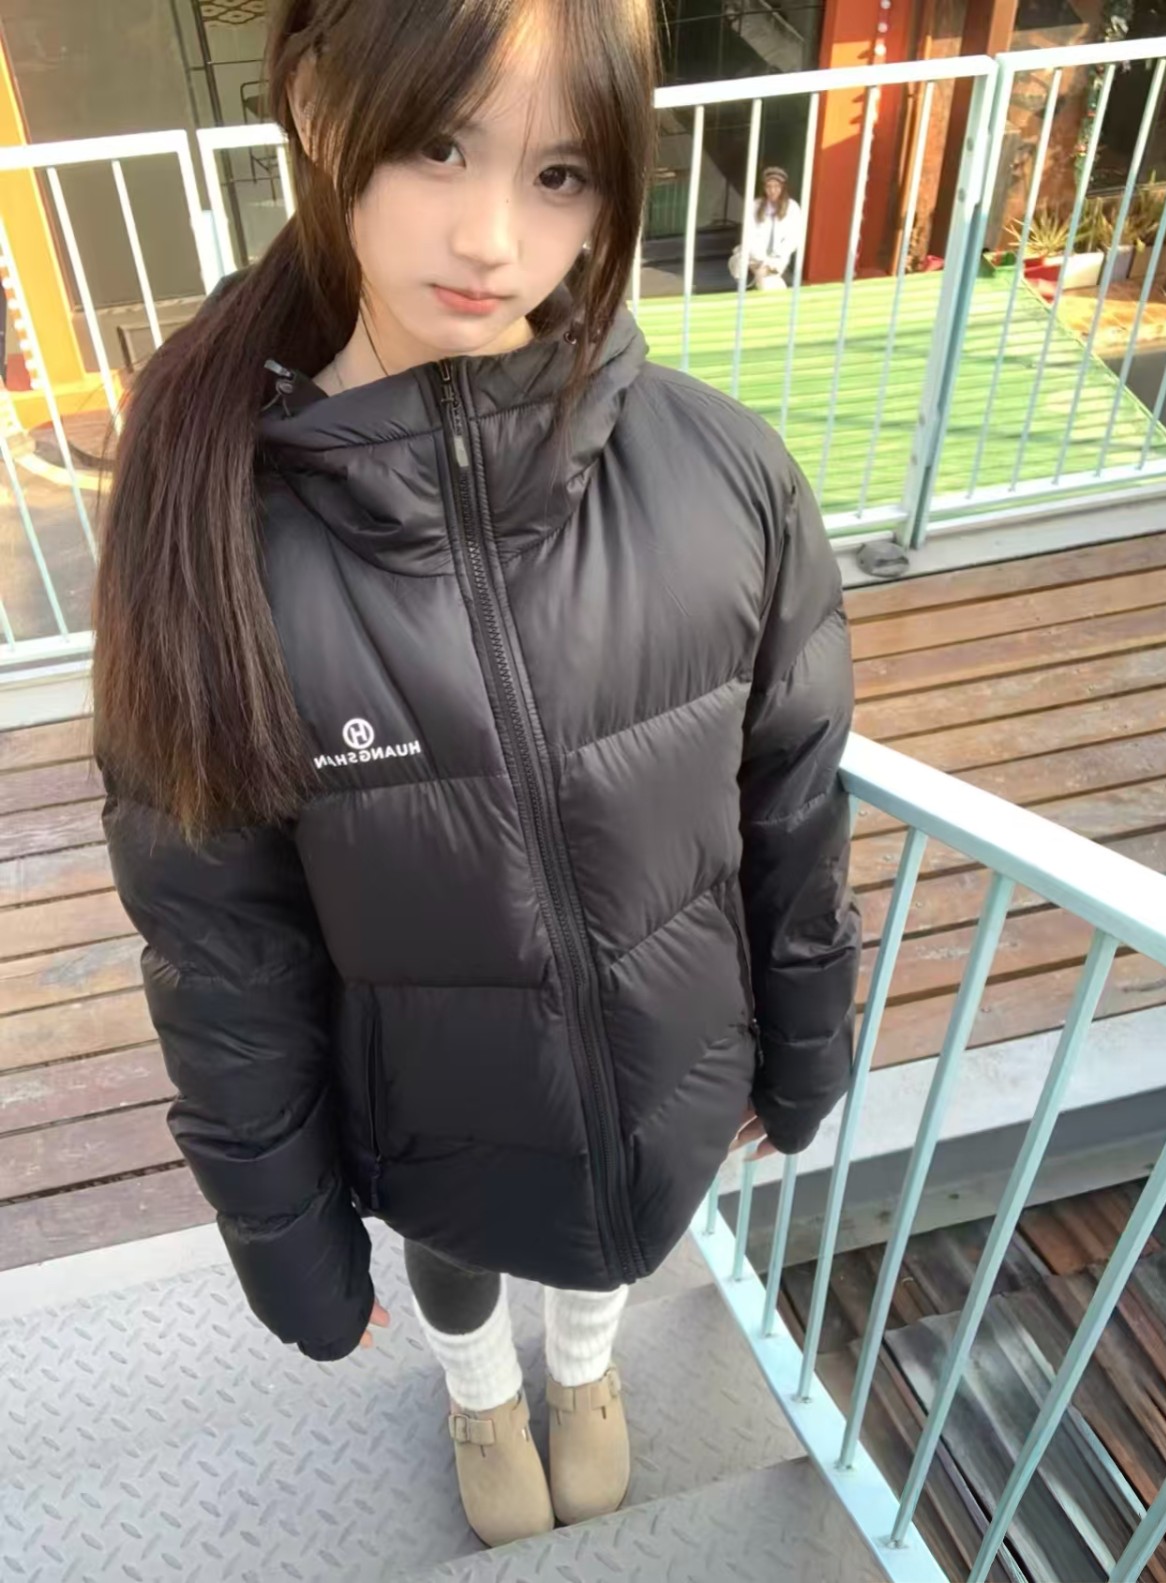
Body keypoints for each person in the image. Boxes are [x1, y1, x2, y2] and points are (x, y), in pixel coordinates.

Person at [94, 0, 860, 1552]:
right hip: (430, 1108)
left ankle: (582, 1365)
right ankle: (478, 1389)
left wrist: (806, 1045)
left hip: (668, 1060)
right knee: (458, 1254)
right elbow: (219, 932)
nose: (494, 238)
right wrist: (290, 1234)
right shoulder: (211, 533)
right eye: (441, 145)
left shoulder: (723, 476)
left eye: (561, 172)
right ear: (322, 105)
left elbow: (793, 797)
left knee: (615, 1244)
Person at [729, 165, 804, 291]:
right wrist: (763, 260)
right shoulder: (754, 206)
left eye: (776, 186)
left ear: (783, 187)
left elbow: (794, 238)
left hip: (779, 259)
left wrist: (775, 259)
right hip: (755, 258)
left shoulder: (793, 207)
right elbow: (749, 236)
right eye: (769, 186)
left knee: (771, 283)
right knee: (765, 281)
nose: (772, 191)